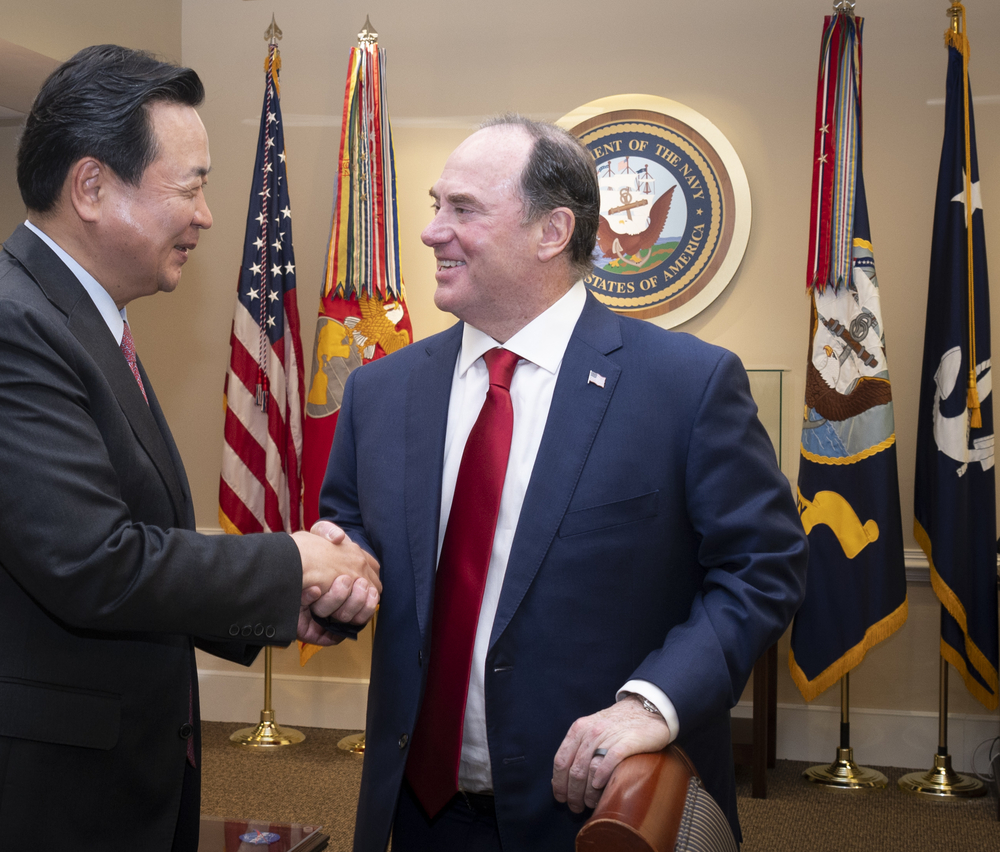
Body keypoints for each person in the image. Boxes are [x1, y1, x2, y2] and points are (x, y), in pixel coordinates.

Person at [0, 45, 379, 852]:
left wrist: (286, 602)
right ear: (92, 187)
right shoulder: (0, 327)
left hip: (84, 780)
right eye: (190, 186)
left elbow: (133, 545)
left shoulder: (78, 322)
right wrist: (294, 562)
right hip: (7, 798)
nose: (206, 215)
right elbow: (92, 564)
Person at [317, 115, 807, 850]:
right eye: (436, 204)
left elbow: (762, 566)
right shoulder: (380, 391)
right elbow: (353, 537)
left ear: (552, 232)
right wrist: (336, 578)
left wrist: (653, 702)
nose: (431, 231)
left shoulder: (686, 386)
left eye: (463, 209)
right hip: (419, 812)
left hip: (597, 816)